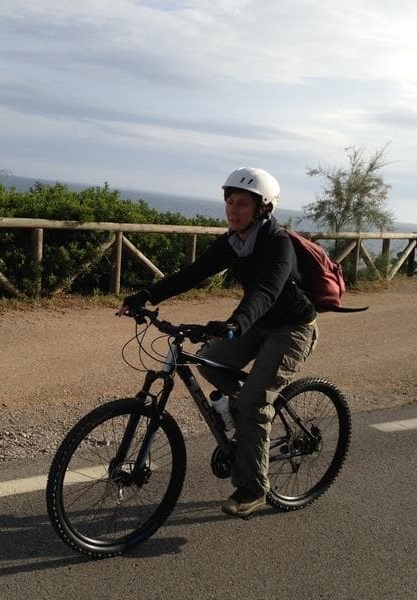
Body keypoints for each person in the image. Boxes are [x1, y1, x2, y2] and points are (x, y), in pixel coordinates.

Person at [117, 166, 318, 519]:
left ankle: (253, 489)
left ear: (263, 209)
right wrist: (145, 295)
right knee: (209, 360)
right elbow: (192, 275)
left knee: (254, 402)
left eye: (242, 203)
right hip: (256, 325)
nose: (232, 209)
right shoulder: (232, 243)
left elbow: (266, 291)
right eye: (229, 201)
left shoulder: (277, 243)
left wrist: (234, 324)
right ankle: (245, 419)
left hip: (291, 328)